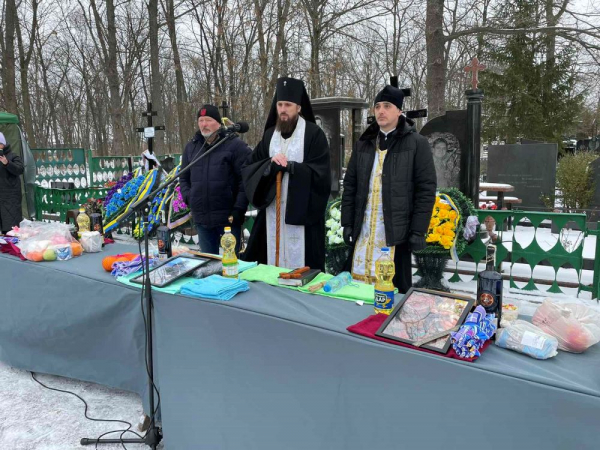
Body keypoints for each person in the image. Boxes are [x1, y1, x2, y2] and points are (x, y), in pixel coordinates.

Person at [341, 85, 436, 293]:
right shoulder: (363, 144)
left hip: (396, 233)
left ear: (399, 111)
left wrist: (418, 230)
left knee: (393, 292)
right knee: (355, 288)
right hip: (364, 230)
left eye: (387, 106)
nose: (381, 111)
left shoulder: (417, 143)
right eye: (377, 107)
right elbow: (350, 186)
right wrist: (347, 222)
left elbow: (426, 189)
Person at [242, 77, 331, 270]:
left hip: (303, 219)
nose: (283, 109)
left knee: (304, 272)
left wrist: (293, 168)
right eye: (280, 104)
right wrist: (270, 166)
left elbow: (322, 175)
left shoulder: (314, 134)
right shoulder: (269, 135)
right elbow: (251, 167)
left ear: (298, 107)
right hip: (271, 215)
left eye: (288, 105)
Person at [179, 104, 251, 255]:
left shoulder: (235, 145)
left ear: (218, 123)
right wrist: (189, 197)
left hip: (228, 218)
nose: (204, 124)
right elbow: (184, 177)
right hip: (202, 218)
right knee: (208, 263)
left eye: (208, 120)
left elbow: (244, 180)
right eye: (201, 121)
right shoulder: (192, 147)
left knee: (231, 263)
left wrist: (239, 208)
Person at [0, 132, 24, 234]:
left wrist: (7, 163)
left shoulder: (13, 156)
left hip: (10, 197)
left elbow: (20, 169)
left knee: (11, 228)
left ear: (3, 144)